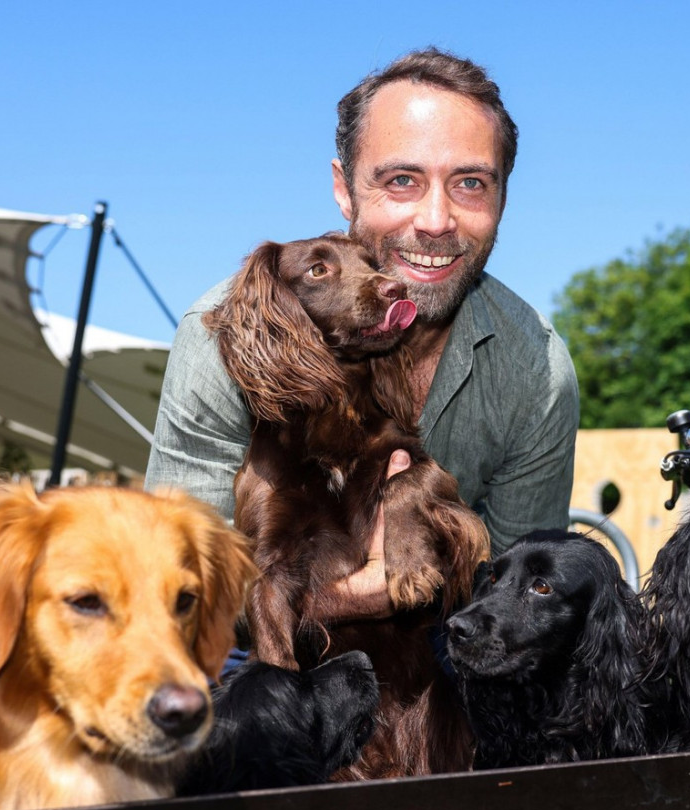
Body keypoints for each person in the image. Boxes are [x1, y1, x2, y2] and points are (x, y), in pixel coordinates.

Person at [146, 47, 578, 619]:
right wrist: (349, 599)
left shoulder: (536, 370)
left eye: (470, 183)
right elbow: (176, 584)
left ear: (501, 199)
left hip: (449, 653)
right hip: (254, 653)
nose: (435, 221)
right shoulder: (220, 338)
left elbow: (521, 593)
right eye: (402, 180)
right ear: (345, 189)